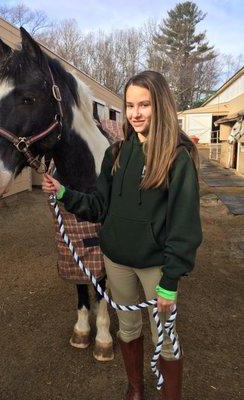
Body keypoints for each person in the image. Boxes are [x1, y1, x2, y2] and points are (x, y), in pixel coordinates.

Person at [42, 70, 202, 400]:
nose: (136, 113)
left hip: (155, 267)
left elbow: (185, 226)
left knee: (166, 340)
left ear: (161, 106)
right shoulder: (115, 154)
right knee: (128, 329)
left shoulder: (177, 156)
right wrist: (64, 194)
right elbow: (100, 206)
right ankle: (135, 388)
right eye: (130, 105)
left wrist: (170, 282)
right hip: (117, 263)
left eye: (145, 104)